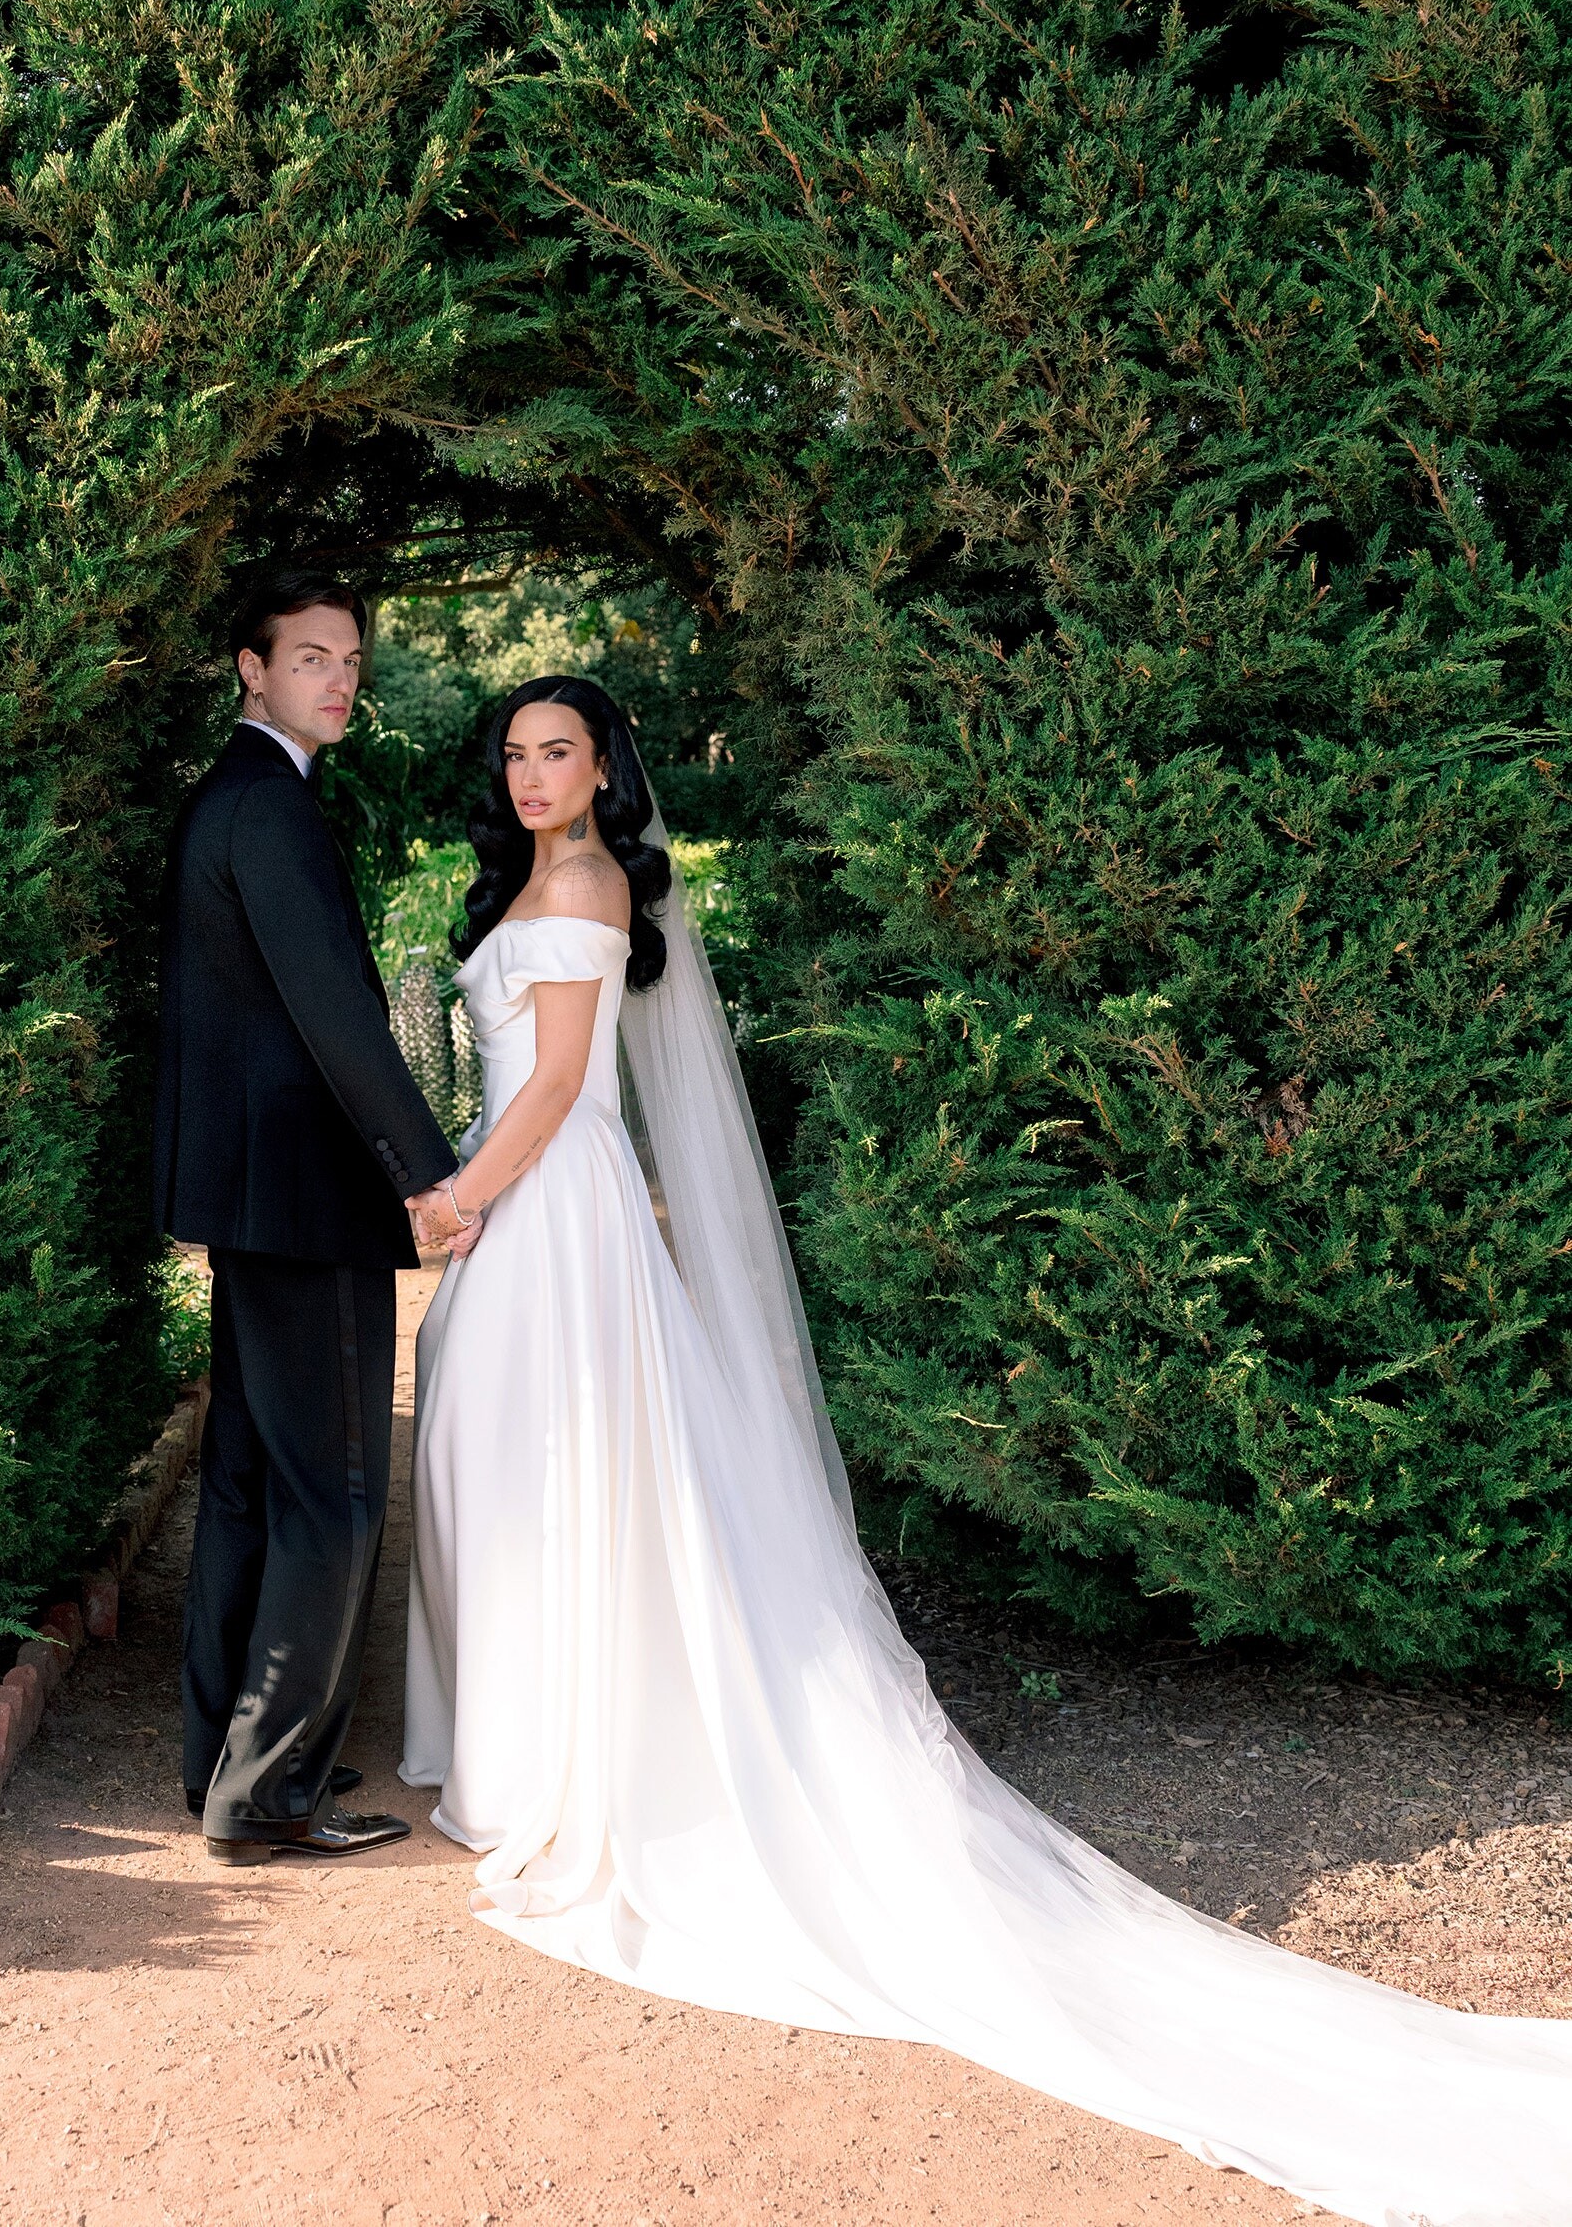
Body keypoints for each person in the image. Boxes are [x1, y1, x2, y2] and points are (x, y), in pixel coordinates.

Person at [402, 672, 1572, 2227]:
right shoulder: (525, 881)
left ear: (606, 768)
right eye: (515, 750)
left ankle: (565, 1760)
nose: (531, 771)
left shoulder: (590, 884)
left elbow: (556, 1083)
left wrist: (455, 1200)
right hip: (528, 1203)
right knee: (511, 1471)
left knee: (557, 1474)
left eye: (558, 749)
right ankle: (519, 1740)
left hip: (555, 1211)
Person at [155, 568, 470, 1862]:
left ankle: (223, 1759)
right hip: (306, 1196)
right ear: (252, 667)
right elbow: (339, 1014)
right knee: (333, 1494)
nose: (338, 680)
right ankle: (270, 1794)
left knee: (248, 1483)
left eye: (348, 659)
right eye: (309, 658)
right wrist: (424, 1171)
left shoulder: (235, 796)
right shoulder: (269, 806)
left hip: (255, 1199)